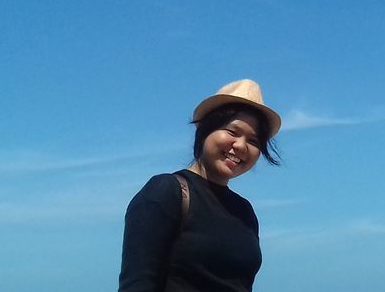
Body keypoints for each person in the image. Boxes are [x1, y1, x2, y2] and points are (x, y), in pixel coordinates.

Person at [118, 79, 282, 292]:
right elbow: (138, 283)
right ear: (205, 131)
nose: (241, 146)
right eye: (233, 132)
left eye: (253, 141)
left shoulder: (244, 212)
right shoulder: (167, 191)